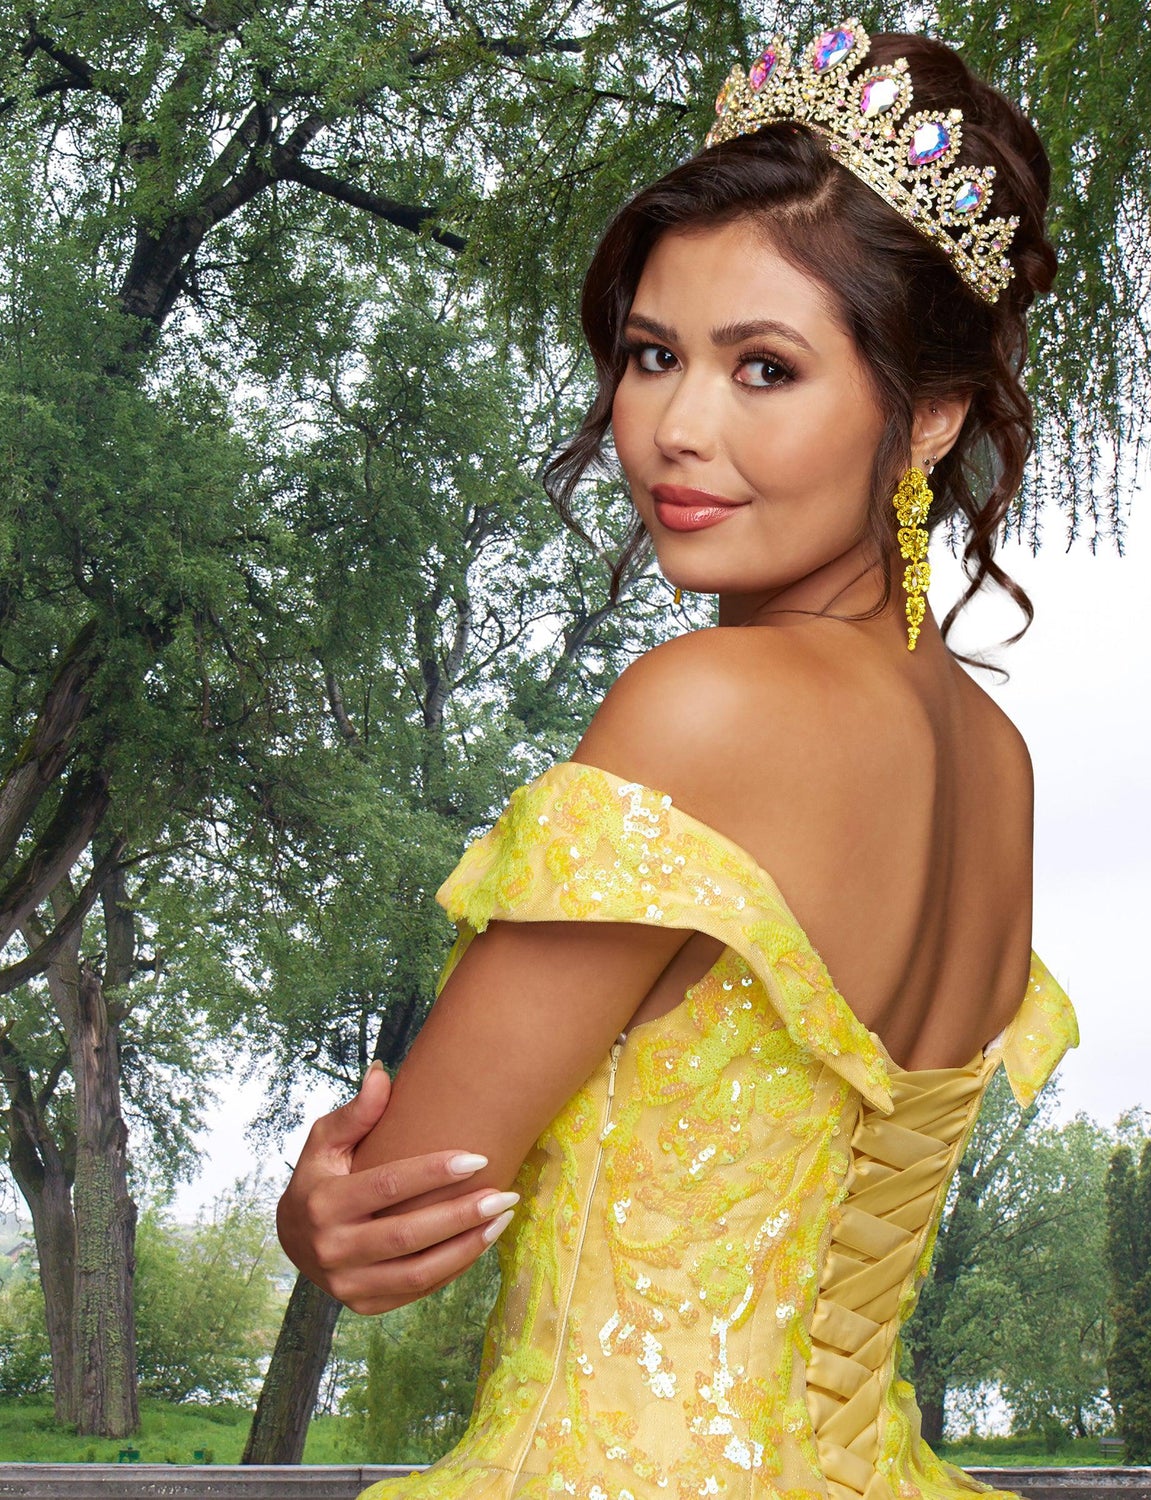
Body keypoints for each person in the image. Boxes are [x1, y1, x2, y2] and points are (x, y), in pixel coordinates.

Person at [277, 19, 1080, 1500]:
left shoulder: (707, 704)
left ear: (931, 418)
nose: (674, 430)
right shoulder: (995, 757)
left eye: (764, 368)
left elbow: (401, 1210)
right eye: (654, 356)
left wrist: (314, 1214)